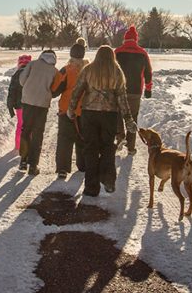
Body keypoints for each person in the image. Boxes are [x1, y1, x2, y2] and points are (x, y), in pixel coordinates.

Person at [69, 45, 138, 196]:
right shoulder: (117, 72)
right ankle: (109, 180)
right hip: (109, 115)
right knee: (108, 148)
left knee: (90, 149)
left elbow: (77, 91)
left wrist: (71, 109)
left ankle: (91, 187)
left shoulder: (88, 70)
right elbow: (122, 99)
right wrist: (128, 119)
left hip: (89, 114)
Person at [51, 38, 88, 179]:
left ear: (71, 55)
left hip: (66, 110)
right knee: (82, 139)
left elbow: (55, 90)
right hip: (83, 110)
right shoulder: (88, 70)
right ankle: (83, 165)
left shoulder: (66, 70)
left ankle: (62, 168)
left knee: (64, 140)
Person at [18, 49, 59, 175]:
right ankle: (33, 165)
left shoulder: (32, 64)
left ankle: (23, 161)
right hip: (42, 104)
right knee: (38, 133)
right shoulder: (54, 71)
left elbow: (22, 80)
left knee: (26, 130)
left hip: (28, 100)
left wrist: (29, 88)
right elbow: (55, 89)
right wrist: (47, 94)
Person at [114, 25, 152, 155]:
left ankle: (120, 137)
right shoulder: (142, 53)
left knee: (118, 114)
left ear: (125, 39)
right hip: (135, 91)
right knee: (132, 117)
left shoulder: (117, 52)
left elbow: (112, 70)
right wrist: (148, 88)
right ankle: (131, 147)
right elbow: (148, 72)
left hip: (119, 89)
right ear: (136, 39)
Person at [6, 54, 32, 155]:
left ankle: (18, 145)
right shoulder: (32, 74)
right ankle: (29, 145)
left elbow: (12, 91)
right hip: (30, 104)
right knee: (30, 125)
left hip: (19, 105)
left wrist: (10, 105)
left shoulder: (16, 74)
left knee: (20, 124)